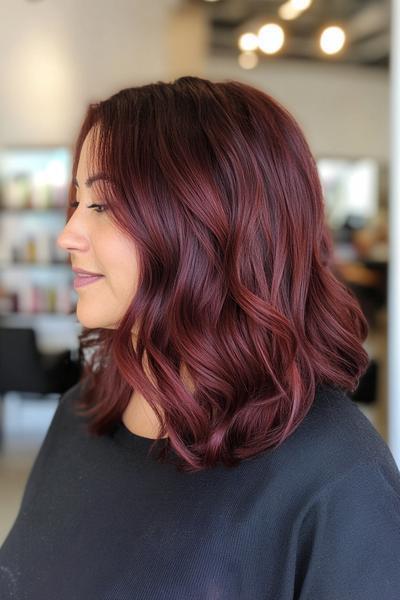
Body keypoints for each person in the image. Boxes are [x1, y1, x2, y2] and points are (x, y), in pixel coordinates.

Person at [1, 75, 399, 599]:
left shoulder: (336, 477)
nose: (67, 233)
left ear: (212, 224)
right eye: (77, 201)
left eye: (102, 205)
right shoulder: (83, 414)